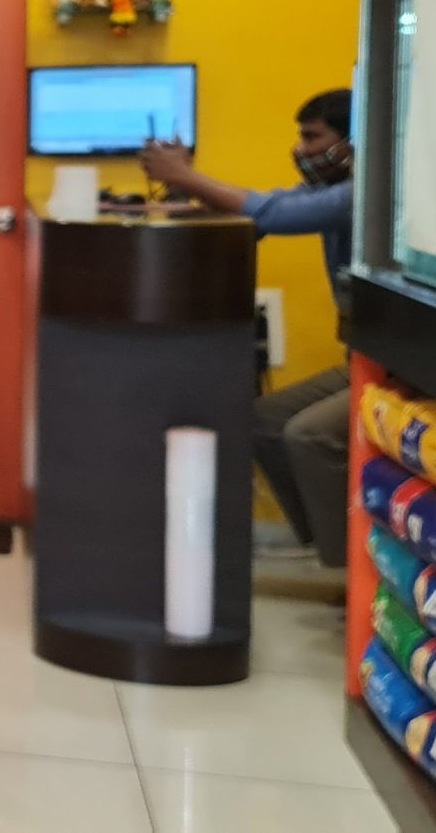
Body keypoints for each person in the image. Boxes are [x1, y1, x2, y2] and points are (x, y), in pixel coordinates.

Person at [139, 88, 354, 566]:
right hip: (358, 359)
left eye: (313, 137)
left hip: (389, 370)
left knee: (307, 434)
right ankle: (325, 545)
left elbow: (274, 213)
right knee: (263, 422)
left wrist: (186, 176)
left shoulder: (362, 194)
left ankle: (352, 569)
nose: (302, 149)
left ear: (352, 140)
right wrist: (182, 188)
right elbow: (257, 211)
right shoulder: (324, 190)